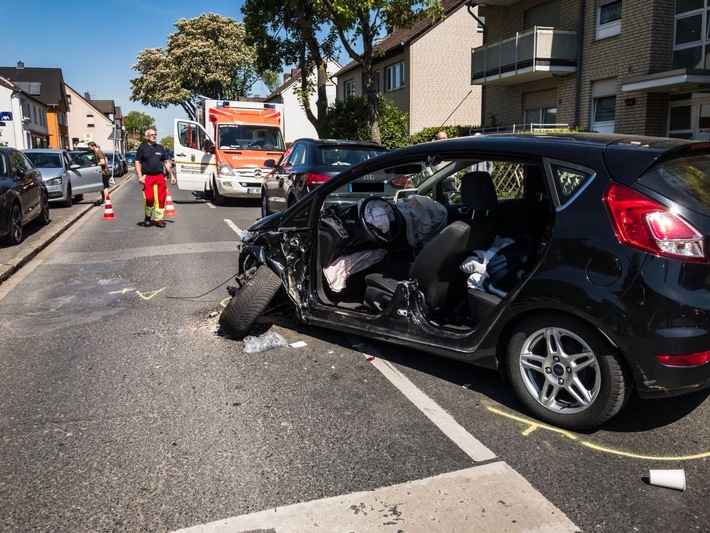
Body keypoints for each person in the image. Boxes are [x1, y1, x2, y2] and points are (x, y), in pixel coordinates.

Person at [135, 129, 175, 228]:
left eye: (155, 135)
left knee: (161, 198)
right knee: (149, 198)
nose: (154, 136)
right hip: (147, 176)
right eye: (152, 135)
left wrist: (172, 175)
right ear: (147, 137)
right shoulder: (142, 148)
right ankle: (148, 217)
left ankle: (159, 219)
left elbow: (166, 162)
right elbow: (137, 162)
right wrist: (140, 176)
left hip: (159, 176)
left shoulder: (161, 148)